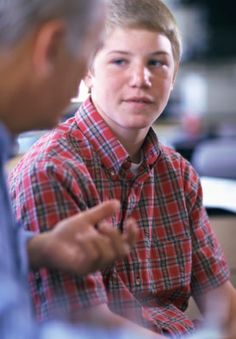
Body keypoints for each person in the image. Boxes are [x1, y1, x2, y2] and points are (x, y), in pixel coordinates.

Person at [8, 0, 236, 337]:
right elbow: (88, 323)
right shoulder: (52, 169)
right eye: (119, 61)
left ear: (174, 77)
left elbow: (223, 305)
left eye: (157, 63)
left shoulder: (179, 173)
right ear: (87, 70)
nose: (141, 78)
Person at [0, 0, 140, 338]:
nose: (83, 76)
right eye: (90, 52)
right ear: (52, 46)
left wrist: (37, 248)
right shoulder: (49, 165)